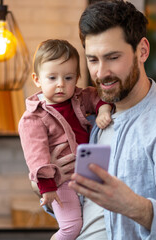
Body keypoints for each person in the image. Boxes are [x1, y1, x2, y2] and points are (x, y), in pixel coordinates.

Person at [47, 1, 156, 239]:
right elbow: (90, 212)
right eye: (93, 60)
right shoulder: (93, 119)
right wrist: (51, 185)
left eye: (113, 57)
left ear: (142, 51)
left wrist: (134, 206)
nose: (101, 73)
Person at [18, 39, 113, 240]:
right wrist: (47, 188)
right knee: (71, 228)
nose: (61, 84)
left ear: (77, 77)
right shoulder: (33, 119)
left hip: (85, 176)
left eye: (68, 77)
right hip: (59, 182)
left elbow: (98, 96)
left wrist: (103, 109)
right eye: (52, 78)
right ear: (37, 79)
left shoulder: (78, 98)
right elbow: (37, 156)